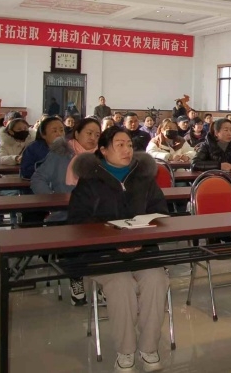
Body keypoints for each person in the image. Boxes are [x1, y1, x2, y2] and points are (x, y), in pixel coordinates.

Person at [68, 127, 170, 372]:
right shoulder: (89, 180)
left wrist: (141, 239)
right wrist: (114, 241)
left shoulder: (144, 177)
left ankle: (149, 347)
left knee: (157, 279)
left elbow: (161, 213)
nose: (127, 150)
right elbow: (78, 223)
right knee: (122, 284)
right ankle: (126, 351)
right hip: (102, 253)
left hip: (143, 250)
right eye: (120, 145)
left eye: (129, 145)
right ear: (103, 150)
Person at [32, 117, 101, 304]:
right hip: (65, 212)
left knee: (109, 229)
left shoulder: (101, 156)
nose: (93, 138)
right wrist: (52, 199)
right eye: (89, 133)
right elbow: (38, 178)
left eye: (97, 135)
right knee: (74, 231)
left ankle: (104, 280)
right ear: (77, 133)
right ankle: (76, 278)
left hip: (96, 213)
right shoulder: (61, 154)